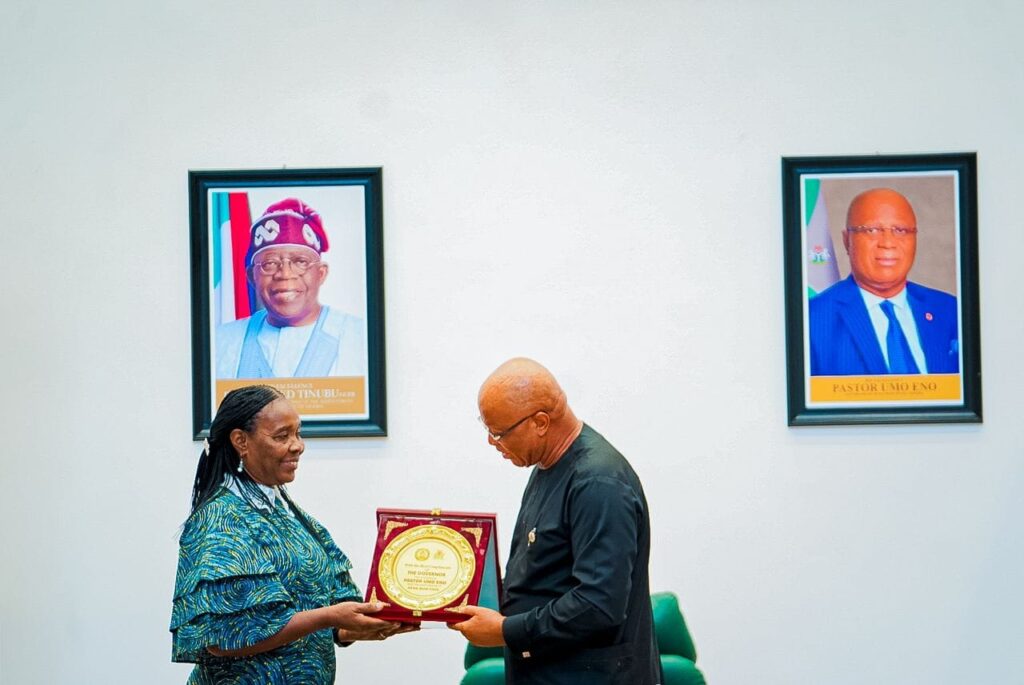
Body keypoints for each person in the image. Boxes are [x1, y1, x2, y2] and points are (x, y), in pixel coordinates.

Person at [170, 385, 411, 683]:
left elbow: (321, 610)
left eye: (297, 433)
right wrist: (330, 617)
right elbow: (224, 639)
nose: (298, 445)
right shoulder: (220, 519)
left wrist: (362, 627)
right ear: (240, 441)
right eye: (281, 436)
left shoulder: (288, 513)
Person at [451, 358, 661, 684]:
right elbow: (540, 576)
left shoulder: (597, 482)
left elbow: (598, 605)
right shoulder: (546, 466)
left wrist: (505, 630)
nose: (492, 442)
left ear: (540, 422)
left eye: (498, 432)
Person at [808, 187, 960, 376]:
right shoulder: (812, 320)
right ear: (847, 241)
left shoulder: (949, 310)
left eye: (901, 230)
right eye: (871, 230)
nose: (888, 242)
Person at [216, 198, 366, 379]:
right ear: (251, 277)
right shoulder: (220, 341)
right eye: (269, 263)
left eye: (300, 262)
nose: (285, 274)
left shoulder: (362, 338)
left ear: (321, 273)